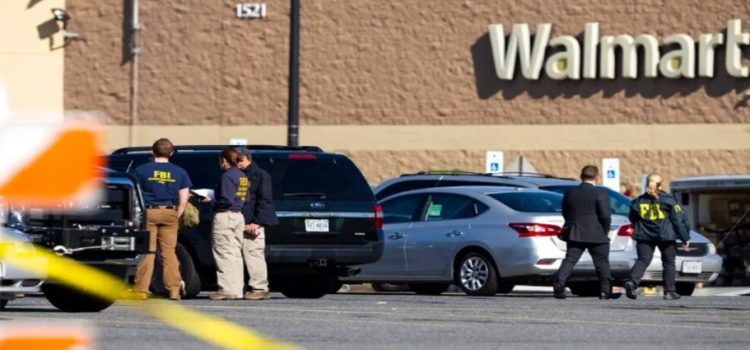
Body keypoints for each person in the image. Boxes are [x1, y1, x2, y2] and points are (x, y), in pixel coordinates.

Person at [129, 138, 192, 300]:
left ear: (152, 152)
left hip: (148, 213)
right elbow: (184, 200)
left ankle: (141, 290)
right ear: (171, 153)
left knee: (148, 251)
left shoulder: (141, 170)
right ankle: (174, 290)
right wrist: (175, 215)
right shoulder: (180, 172)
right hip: (170, 212)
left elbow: (134, 195)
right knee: (168, 253)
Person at [624, 174, 691, 300]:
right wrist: (684, 237)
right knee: (669, 262)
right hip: (665, 235)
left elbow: (633, 218)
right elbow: (678, 220)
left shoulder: (637, 201)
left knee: (643, 260)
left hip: (644, 235)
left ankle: (632, 282)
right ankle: (669, 291)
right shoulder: (669, 200)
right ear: (661, 185)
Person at [553, 165, 614, 299]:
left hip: (575, 232)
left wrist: (571, 225)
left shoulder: (570, 193)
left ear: (581, 177)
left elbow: (566, 212)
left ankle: (559, 284)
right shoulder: (600, 193)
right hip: (597, 233)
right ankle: (605, 290)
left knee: (570, 260)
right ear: (597, 177)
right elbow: (605, 216)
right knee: (601, 262)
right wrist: (604, 231)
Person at [208, 148, 250, 300]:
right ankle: (237, 290)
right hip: (238, 215)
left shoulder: (227, 176)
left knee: (223, 252)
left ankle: (226, 289)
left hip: (225, 216)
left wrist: (211, 201)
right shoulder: (242, 175)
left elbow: (226, 200)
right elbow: (247, 198)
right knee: (235, 254)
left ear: (224, 160)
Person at [236, 148, 278, 300]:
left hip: (254, 222)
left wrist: (256, 222)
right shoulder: (236, 175)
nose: (238, 164)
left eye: (240, 160)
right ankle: (239, 287)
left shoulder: (260, 175)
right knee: (237, 256)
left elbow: (264, 200)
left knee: (254, 254)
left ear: (248, 159)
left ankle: (259, 288)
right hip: (239, 221)